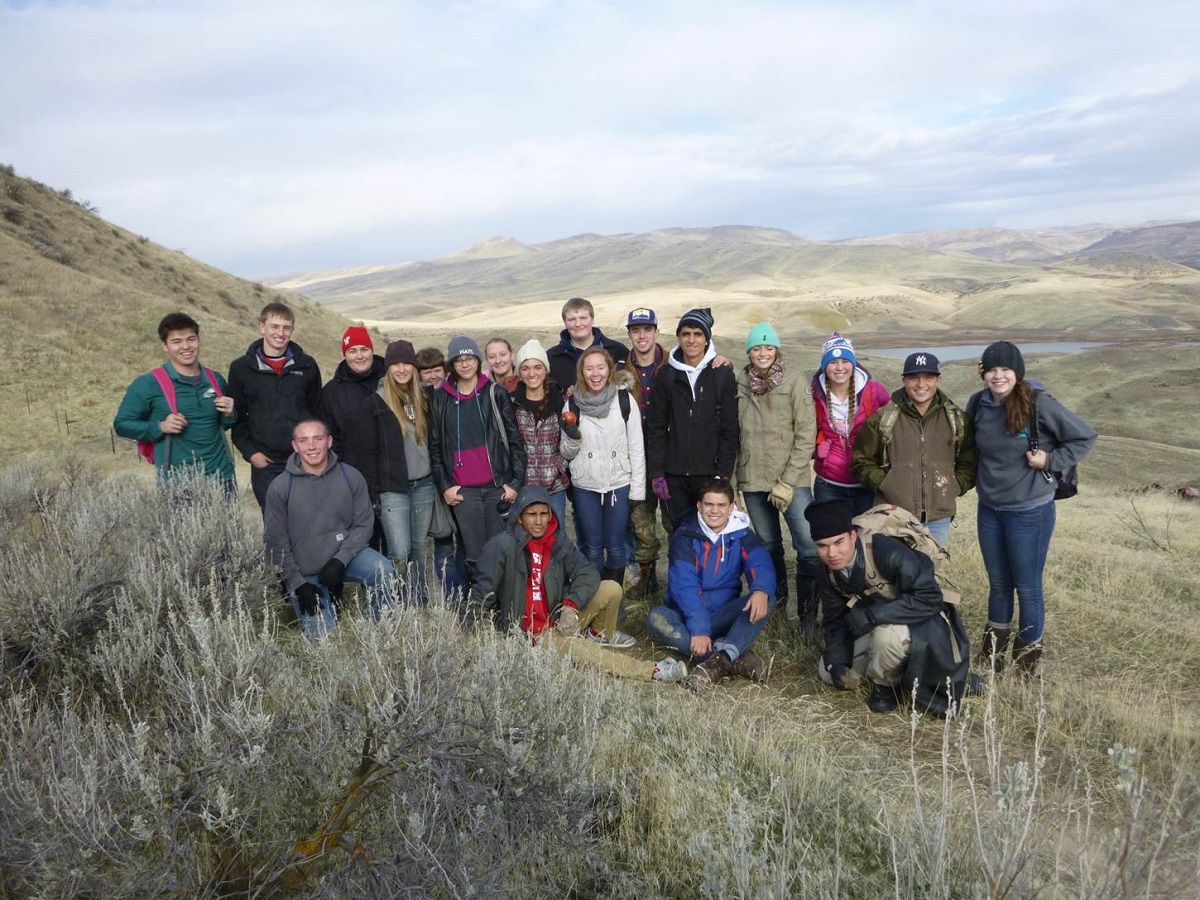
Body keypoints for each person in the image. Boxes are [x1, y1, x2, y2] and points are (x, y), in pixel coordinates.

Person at [968, 341, 1096, 676]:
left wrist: (1050, 460)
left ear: (1017, 372)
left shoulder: (1038, 404)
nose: (998, 376)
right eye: (992, 369)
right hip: (990, 509)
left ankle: (1025, 665)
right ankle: (993, 656)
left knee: (1027, 587)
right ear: (984, 372)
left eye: (1005, 369)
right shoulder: (978, 403)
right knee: (998, 584)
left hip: (1030, 511)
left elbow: (1084, 437)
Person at [805, 499, 971, 715]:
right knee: (827, 672)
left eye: (839, 542)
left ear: (853, 536)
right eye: (822, 546)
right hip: (877, 622)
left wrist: (873, 615)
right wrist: (837, 661)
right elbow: (834, 620)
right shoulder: (825, 571)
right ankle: (902, 669)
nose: (832, 553)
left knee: (886, 638)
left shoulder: (886, 551)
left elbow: (930, 598)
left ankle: (887, 687)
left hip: (922, 620)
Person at [263, 419, 395, 640]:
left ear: (329, 441)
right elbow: (275, 543)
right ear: (295, 446)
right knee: (324, 642)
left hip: (341, 558)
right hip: (306, 573)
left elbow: (364, 524)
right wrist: (297, 584)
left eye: (318, 438)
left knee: (382, 569)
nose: (312, 446)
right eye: (304, 440)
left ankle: (378, 628)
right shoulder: (280, 487)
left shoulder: (350, 476)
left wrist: (340, 560)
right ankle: (324, 603)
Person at [477, 486, 644, 656]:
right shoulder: (503, 544)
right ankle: (653, 671)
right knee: (595, 656)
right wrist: (471, 637)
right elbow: (481, 593)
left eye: (543, 514)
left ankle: (596, 635)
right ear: (519, 517)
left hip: (558, 621)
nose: (539, 521)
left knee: (612, 588)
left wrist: (570, 606)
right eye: (531, 514)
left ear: (550, 515)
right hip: (534, 636)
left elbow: (587, 571)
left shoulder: (556, 540)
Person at [645, 479, 776, 689]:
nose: (715, 511)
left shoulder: (741, 533)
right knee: (656, 618)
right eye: (709, 504)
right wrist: (699, 629)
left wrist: (760, 589)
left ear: (731, 507)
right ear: (699, 506)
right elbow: (684, 586)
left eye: (721, 505)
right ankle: (732, 658)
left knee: (766, 597)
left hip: (724, 614)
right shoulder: (685, 536)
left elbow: (760, 564)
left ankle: (720, 659)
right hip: (688, 617)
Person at [735, 323, 820, 637]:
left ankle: (809, 617)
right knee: (769, 546)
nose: (763, 353)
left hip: (792, 480)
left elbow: (805, 434)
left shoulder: (795, 382)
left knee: (809, 548)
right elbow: (732, 434)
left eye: (768, 348)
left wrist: (787, 482)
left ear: (777, 350)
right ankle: (777, 608)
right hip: (753, 480)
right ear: (749, 351)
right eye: (757, 348)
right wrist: (734, 485)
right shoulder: (739, 383)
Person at [428, 335, 527, 594]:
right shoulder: (441, 399)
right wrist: (445, 487)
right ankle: (481, 604)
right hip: (464, 492)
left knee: (499, 549)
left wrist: (515, 482)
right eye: (458, 360)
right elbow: (435, 447)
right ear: (451, 364)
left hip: (497, 487)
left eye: (469, 358)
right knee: (473, 553)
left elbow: (515, 440)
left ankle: (503, 604)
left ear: (477, 361)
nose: (464, 364)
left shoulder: (495, 393)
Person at [852, 352, 976, 548]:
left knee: (929, 573)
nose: (921, 384)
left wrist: (955, 486)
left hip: (938, 518)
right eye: (913, 378)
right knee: (893, 572)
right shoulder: (883, 419)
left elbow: (969, 461)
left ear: (938, 379)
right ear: (904, 380)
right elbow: (861, 461)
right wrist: (887, 484)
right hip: (892, 515)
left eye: (928, 377)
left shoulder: (956, 419)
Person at [114, 312, 237, 491]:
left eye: (191, 339)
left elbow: (220, 425)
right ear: (165, 346)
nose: (186, 346)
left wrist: (230, 414)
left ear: (198, 340)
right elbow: (122, 424)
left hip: (223, 480)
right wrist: (160, 427)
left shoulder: (215, 379)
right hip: (178, 485)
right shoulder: (148, 384)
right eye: (176, 341)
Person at [560, 346, 645, 592]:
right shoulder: (571, 404)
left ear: (609, 370)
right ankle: (594, 596)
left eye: (600, 367)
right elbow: (565, 453)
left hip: (617, 483)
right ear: (581, 373)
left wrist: (637, 491)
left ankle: (614, 598)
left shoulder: (624, 400)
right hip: (586, 485)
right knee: (593, 547)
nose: (595, 374)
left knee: (616, 545)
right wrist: (573, 438)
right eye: (589, 369)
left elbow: (636, 447)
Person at [645, 307, 740, 526]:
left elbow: (729, 429)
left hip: (709, 473)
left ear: (707, 339)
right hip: (673, 473)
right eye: (686, 333)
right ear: (679, 337)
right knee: (680, 531)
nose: (691, 340)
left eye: (698, 334)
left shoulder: (721, 375)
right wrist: (657, 472)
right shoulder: (667, 375)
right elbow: (656, 428)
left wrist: (723, 473)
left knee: (711, 530)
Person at [227, 302, 323, 511]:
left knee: (310, 519)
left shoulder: (307, 365)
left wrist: (314, 451)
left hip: (303, 460)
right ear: (262, 327)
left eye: (286, 327)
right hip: (266, 465)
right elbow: (238, 416)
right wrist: (252, 454)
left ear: (292, 330)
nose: (280, 333)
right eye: (275, 326)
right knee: (275, 523)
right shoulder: (241, 368)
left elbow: (317, 412)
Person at [376, 339, 437, 601]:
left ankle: (420, 602)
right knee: (399, 552)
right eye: (395, 364)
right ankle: (400, 605)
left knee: (419, 548)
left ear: (414, 366)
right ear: (388, 368)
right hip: (393, 488)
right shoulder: (378, 401)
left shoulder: (425, 396)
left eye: (406, 364)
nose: (401, 369)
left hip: (424, 483)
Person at [810, 332, 890, 516]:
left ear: (853, 363)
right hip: (829, 485)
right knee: (833, 540)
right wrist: (816, 448)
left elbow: (895, 426)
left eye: (845, 361)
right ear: (824, 366)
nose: (840, 367)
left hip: (868, 483)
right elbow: (804, 430)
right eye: (832, 362)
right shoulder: (814, 396)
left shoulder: (874, 391)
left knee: (867, 542)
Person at [622, 307, 671, 597]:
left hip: (669, 455)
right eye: (636, 330)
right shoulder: (620, 372)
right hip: (634, 457)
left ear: (656, 331)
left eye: (647, 329)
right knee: (640, 521)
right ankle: (646, 578)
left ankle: (678, 576)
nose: (642, 335)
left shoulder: (673, 365)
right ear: (629, 334)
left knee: (673, 520)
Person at [416, 346, 467, 595]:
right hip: (432, 480)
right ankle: (454, 596)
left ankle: (470, 592)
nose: (433, 376)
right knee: (443, 540)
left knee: (467, 540)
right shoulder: (416, 400)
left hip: (462, 477)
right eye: (426, 372)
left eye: (437, 370)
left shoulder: (457, 394)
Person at [512, 339, 570, 527]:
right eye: (525, 368)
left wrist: (557, 468)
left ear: (545, 370)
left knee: (556, 537)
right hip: (523, 485)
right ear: (519, 373)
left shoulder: (560, 402)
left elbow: (569, 441)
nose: (532, 373)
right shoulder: (512, 404)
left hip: (554, 486)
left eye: (537, 367)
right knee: (525, 539)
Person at [546, 297, 629, 393]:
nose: (577, 324)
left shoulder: (618, 351)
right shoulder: (552, 358)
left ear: (592, 319)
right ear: (565, 322)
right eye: (572, 319)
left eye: (583, 318)